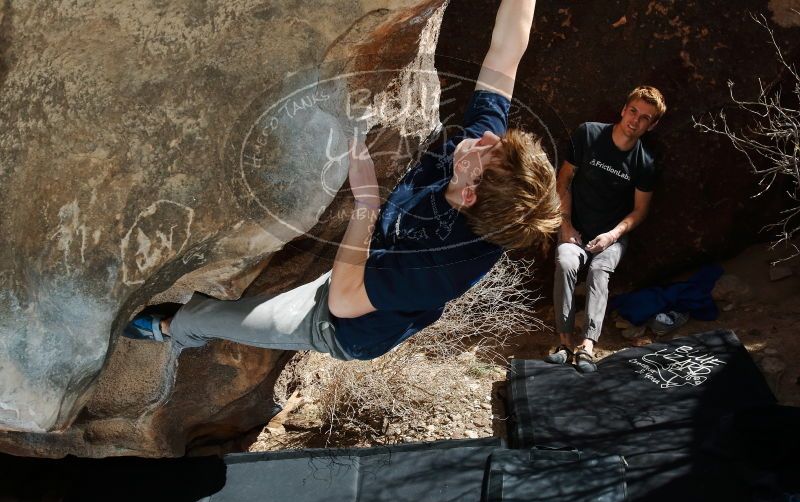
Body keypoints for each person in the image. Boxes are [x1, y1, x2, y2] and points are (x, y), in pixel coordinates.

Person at [124, 0, 561, 361]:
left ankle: (169, 330)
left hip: (343, 324)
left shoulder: (440, 267)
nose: (485, 136)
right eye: (496, 139)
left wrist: (367, 204)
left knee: (200, 318)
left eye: (488, 150)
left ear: (469, 194)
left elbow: (343, 299)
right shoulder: (484, 160)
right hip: (373, 257)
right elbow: (507, 50)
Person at [545, 86, 666, 373]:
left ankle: (587, 345)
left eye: (645, 118)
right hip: (575, 228)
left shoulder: (645, 162)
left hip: (612, 238)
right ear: (624, 110)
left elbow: (640, 210)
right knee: (565, 261)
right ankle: (563, 342)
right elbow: (563, 182)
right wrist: (565, 225)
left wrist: (613, 235)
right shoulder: (588, 134)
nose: (635, 120)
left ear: (653, 125)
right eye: (633, 111)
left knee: (600, 271)